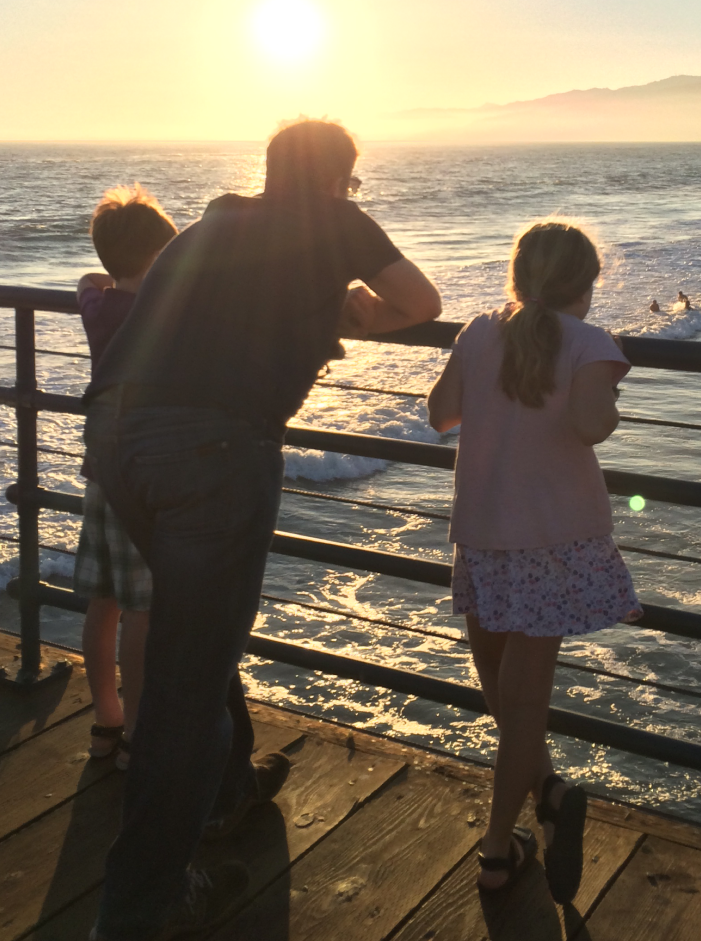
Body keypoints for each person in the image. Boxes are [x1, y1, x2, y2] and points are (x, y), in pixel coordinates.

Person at [84, 118, 442, 941]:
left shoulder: (211, 226)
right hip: (210, 452)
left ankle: (224, 794)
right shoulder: (333, 222)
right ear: (334, 181)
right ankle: (140, 910)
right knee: (183, 684)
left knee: (191, 647)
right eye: (350, 186)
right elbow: (421, 302)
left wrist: (318, 312)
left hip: (116, 440)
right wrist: (352, 316)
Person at [427, 221, 640, 904]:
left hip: (484, 534)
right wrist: (606, 395)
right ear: (586, 283)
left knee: (500, 690)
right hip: (554, 539)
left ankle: (547, 796)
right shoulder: (589, 344)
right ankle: (497, 849)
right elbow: (590, 427)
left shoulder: (479, 331)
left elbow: (440, 416)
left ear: (517, 275)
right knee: (523, 702)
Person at [74, 186, 177, 770]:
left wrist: (109, 267)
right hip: (147, 471)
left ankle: (105, 722)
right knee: (144, 608)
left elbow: (88, 280)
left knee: (105, 602)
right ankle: (139, 735)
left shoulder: (102, 306)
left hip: (102, 468)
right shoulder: (172, 310)